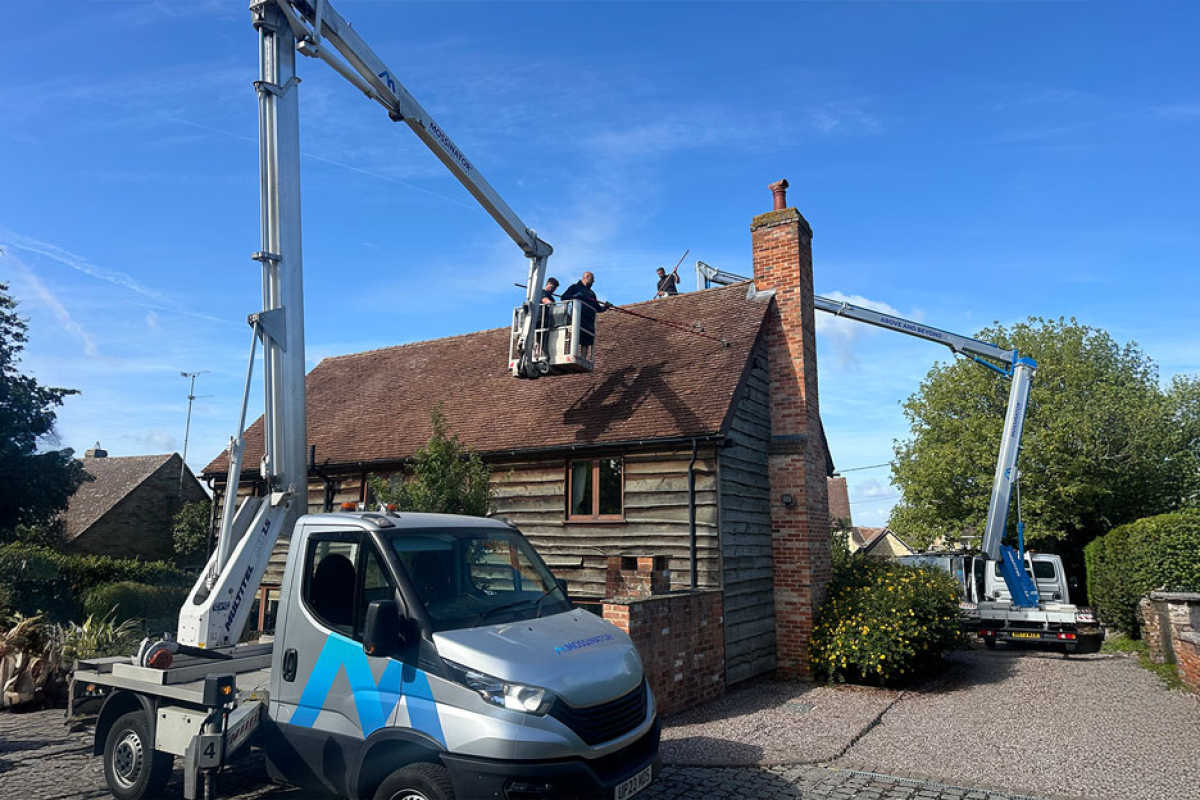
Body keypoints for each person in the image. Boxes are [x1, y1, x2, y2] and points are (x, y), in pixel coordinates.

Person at [560, 271, 608, 347]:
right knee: (576, 337)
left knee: (586, 341)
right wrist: (575, 297)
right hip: (578, 317)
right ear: (586, 277)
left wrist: (605, 307)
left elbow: (597, 308)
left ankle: (583, 357)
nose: (592, 283)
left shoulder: (592, 293)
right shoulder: (575, 287)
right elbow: (563, 298)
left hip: (589, 321)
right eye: (592, 281)